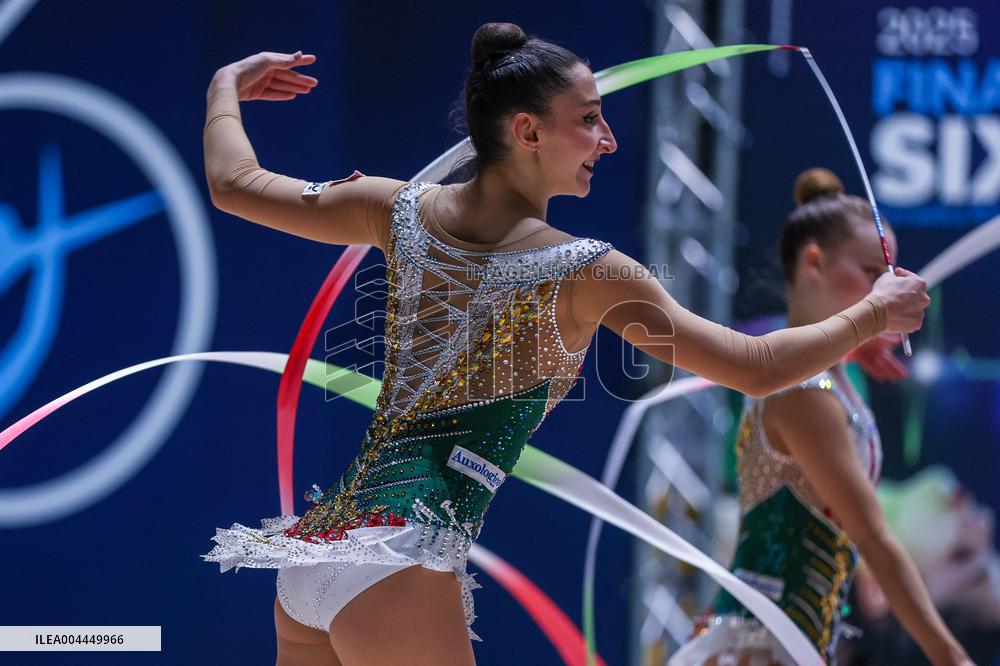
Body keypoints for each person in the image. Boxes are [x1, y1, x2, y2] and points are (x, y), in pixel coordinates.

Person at [199, 23, 929, 666]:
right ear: (526, 131)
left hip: (316, 558)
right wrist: (874, 311)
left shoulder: (396, 209)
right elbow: (758, 367)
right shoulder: (587, 270)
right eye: (589, 120)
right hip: (400, 559)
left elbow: (234, 183)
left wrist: (224, 86)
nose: (607, 140)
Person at [668, 169, 971, 666]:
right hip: (760, 647)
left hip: (791, 642)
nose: (884, 291)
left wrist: (857, 344)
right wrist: (951, 657)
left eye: (889, 278)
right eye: (872, 273)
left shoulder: (830, 379)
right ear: (814, 262)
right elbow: (873, 535)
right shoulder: (804, 390)